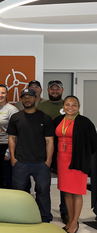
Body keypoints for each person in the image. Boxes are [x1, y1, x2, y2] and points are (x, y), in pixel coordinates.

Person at [7, 88, 54, 223]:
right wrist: (13, 158)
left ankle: (44, 218)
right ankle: (18, 217)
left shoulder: (45, 118)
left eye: (30, 97)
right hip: (20, 162)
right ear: (21, 99)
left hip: (41, 163)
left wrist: (48, 160)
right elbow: (12, 138)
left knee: (43, 192)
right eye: (24, 97)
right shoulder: (16, 117)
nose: (27, 99)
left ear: (35, 98)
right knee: (19, 193)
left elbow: (49, 140)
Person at [53, 95, 97, 233]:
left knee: (76, 191)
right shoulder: (58, 120)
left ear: (78, 107)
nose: (70, 107)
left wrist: (84, 157)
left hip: (78, 160)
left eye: (74, 105)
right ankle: (71, 220)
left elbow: (93, 143)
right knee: (66, 191)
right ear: (63, 106)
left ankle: (73, 223)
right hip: (62, 160)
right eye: (67, 104)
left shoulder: (84, 122)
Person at [37, 79, 68, 224]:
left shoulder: (68, 106)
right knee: (44, 182)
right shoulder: (41, 106)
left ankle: (65, 211)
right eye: (52, 89)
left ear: (62, 90)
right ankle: (43, 212)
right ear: (47, 91)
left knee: (64, 181)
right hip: (45, 149)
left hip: (65, 150)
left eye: (57, 89)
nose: (54, 91)